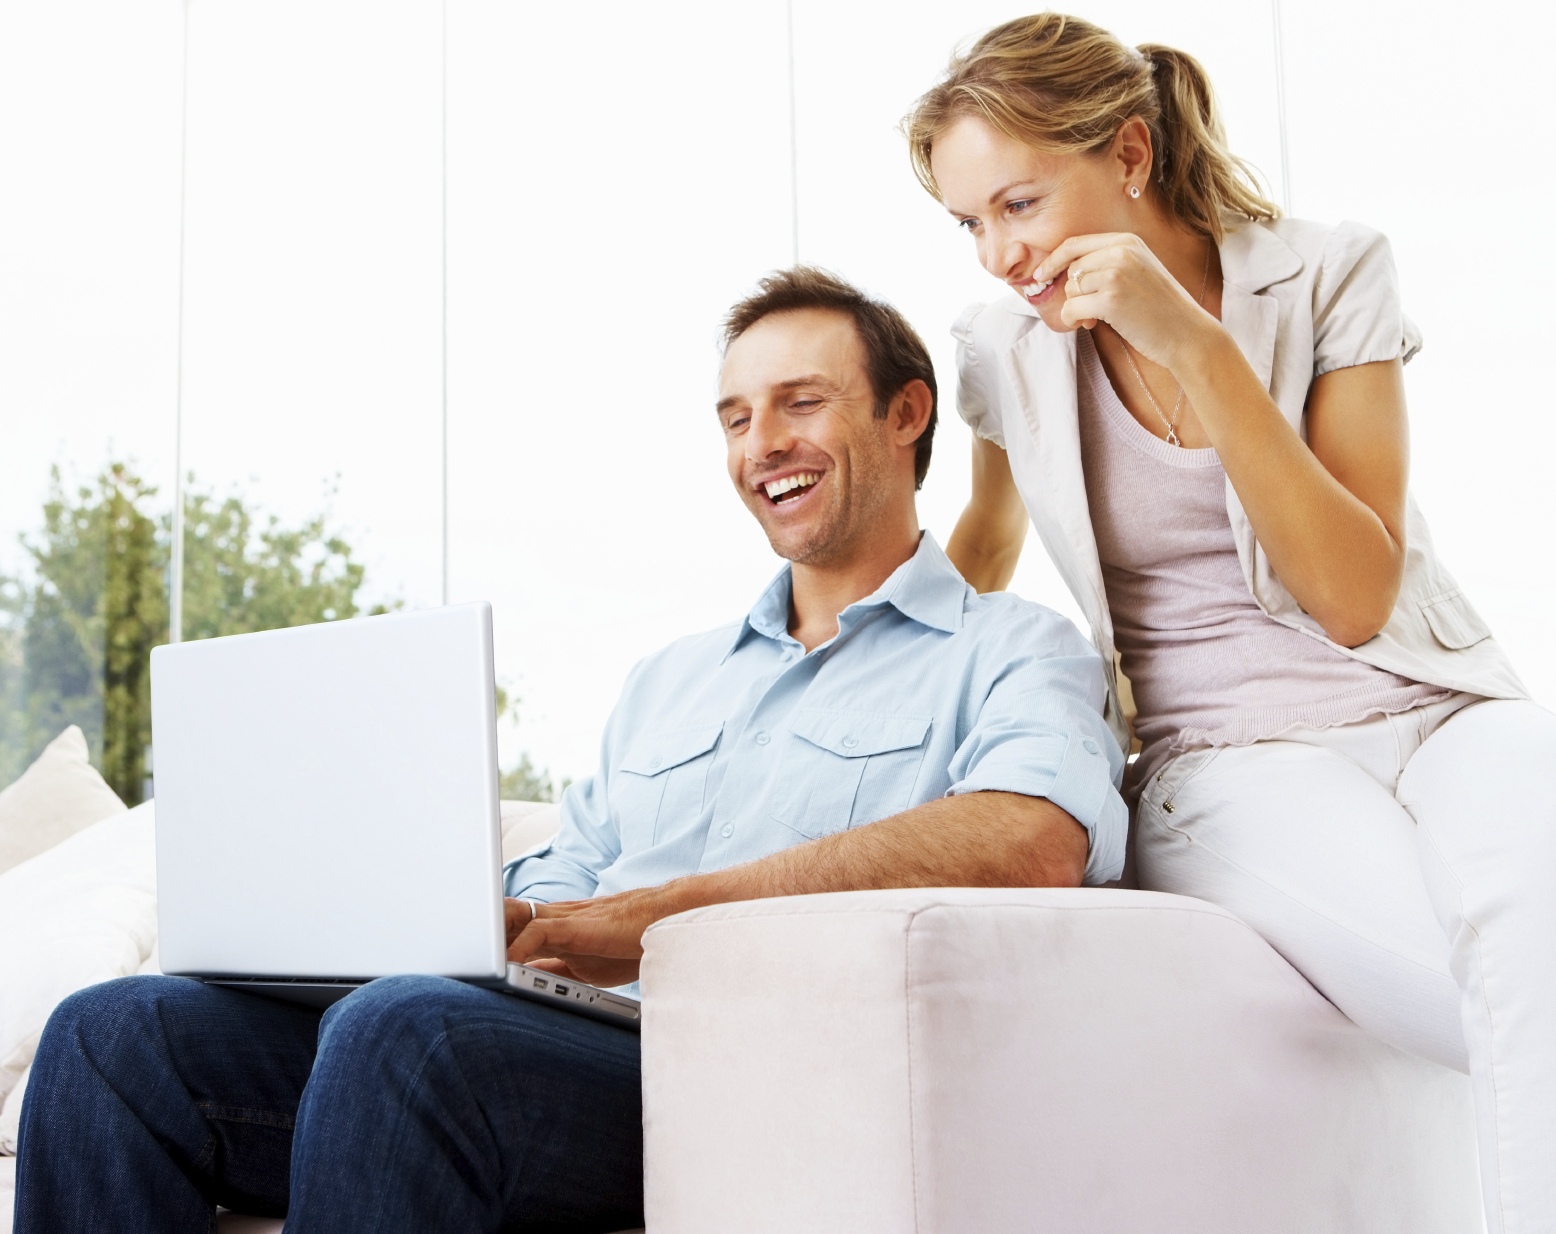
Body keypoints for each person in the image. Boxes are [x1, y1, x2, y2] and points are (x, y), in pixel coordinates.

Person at [15, 267, 1126, 1233]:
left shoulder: (1010, 648)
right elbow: (567, 877)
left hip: (750, 1070)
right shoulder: (670, 680)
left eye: (801, 403)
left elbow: (1031, 839)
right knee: (113, 1033)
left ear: (905, 414)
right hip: (546, 1047)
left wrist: (642, 920)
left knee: (406, 1033)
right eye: (734, 418)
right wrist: (486, 919)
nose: (762, 445)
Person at [904, 13, 1555, 1232]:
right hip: (1223, 755)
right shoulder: (1004, 348)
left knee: (1537, 932)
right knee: (1511, 990)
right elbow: (983, 548)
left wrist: (1194, 347)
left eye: (1019, 204)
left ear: (1129, 153)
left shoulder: (1328, 271)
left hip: (1440, 705)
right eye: (968, 223)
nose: (998, 254)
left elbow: (1353, 594)